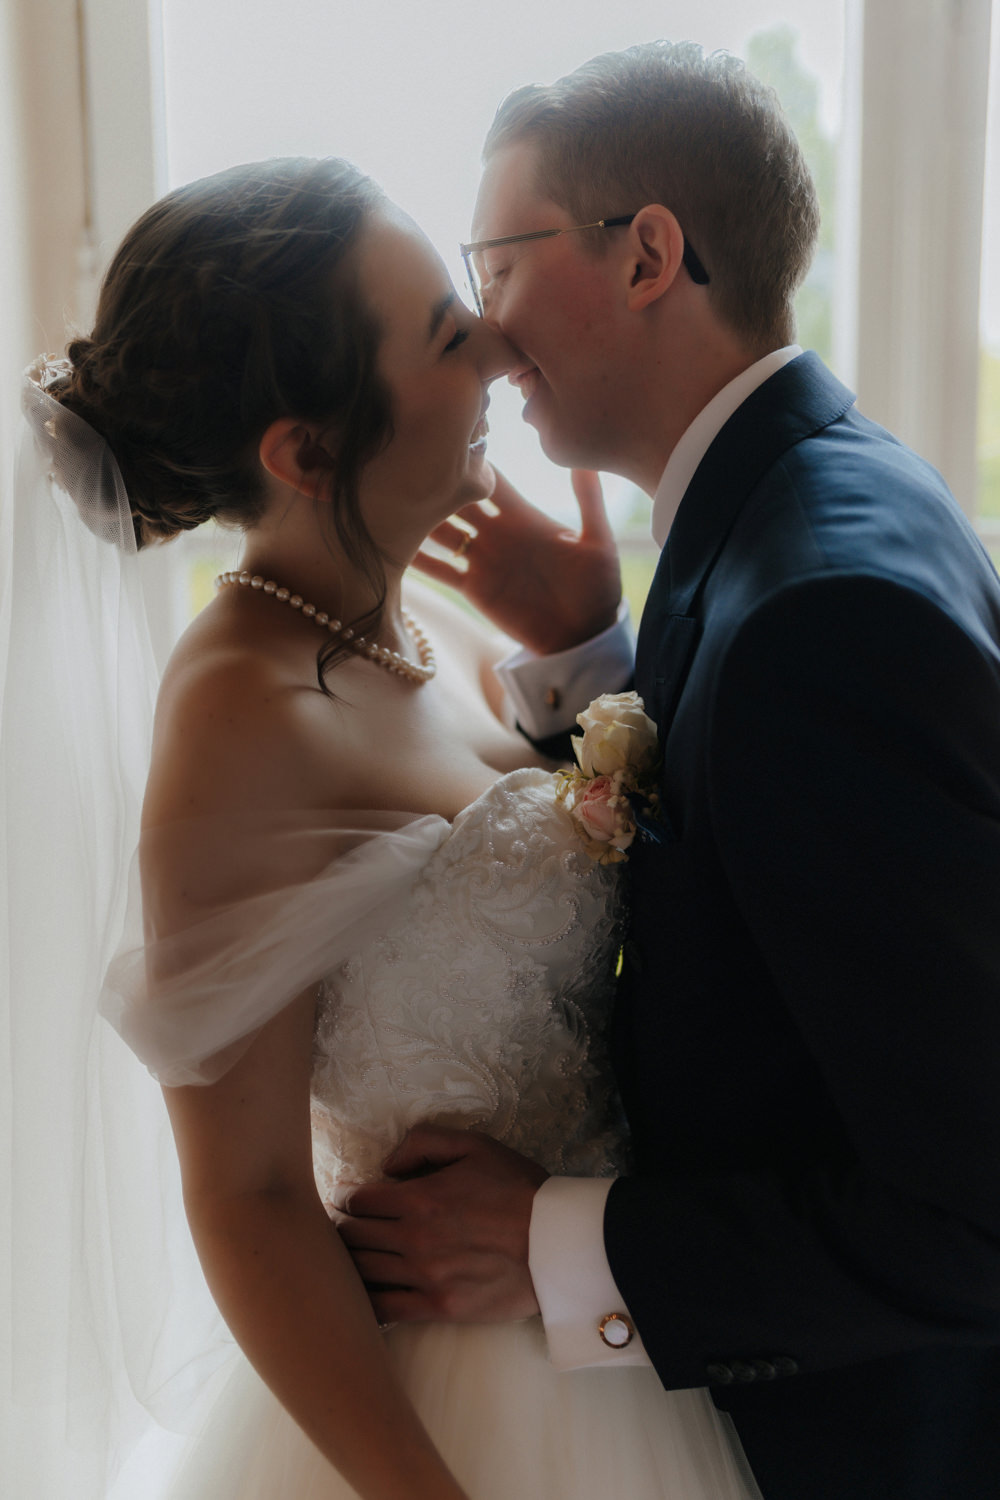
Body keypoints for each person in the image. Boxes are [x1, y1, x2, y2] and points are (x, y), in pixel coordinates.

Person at [4, 156, 760, 1499]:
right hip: (445, 1408)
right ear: (305, 450)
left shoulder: (441, 631)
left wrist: (588, 644)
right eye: (439, 333)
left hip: (598, 1333)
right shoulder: (243, 708)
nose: (494, 342)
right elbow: (243, 1193)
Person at [334, 41, 1000, 1500]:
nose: (487, 335)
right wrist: (588, 656)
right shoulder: (800, 500)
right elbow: (758, 862)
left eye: (495, 263)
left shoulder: (822, 610)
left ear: (647, 254)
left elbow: (973, 1210)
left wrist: (552, 1246)